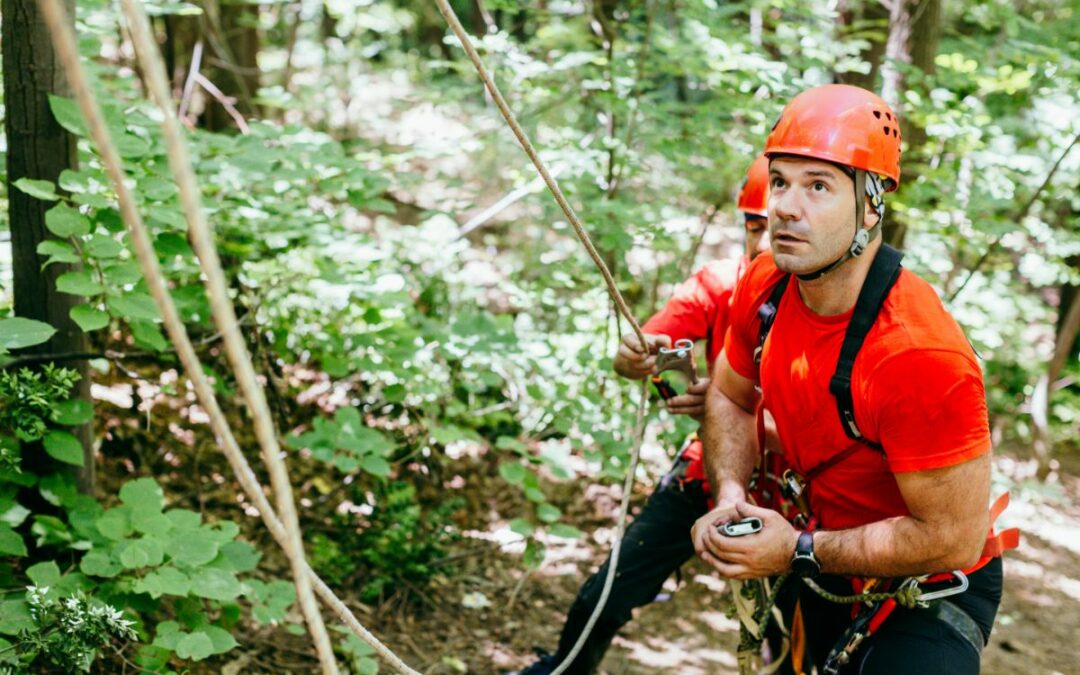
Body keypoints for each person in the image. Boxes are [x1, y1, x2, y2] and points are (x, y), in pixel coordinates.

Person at [692, 84, 1013, 674]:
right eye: (782, 180)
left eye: (819, 186)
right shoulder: (765, 284)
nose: (785, 206)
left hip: (930, 581)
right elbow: (730, 395)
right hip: (821, 551)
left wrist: (795, 550)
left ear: (871, 206)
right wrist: (731, 495)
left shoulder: (917, 356)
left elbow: (953, 537)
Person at [510, 155, 772, 675]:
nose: (762, 243)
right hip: (710, 469)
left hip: (801, 490)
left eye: (772, 226)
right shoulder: (722, 284)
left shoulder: (833, 307)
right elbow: (644, 348)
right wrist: (636, 357)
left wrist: (731, 406)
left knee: (800, 639)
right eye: (753, 225)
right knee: (604, 594)